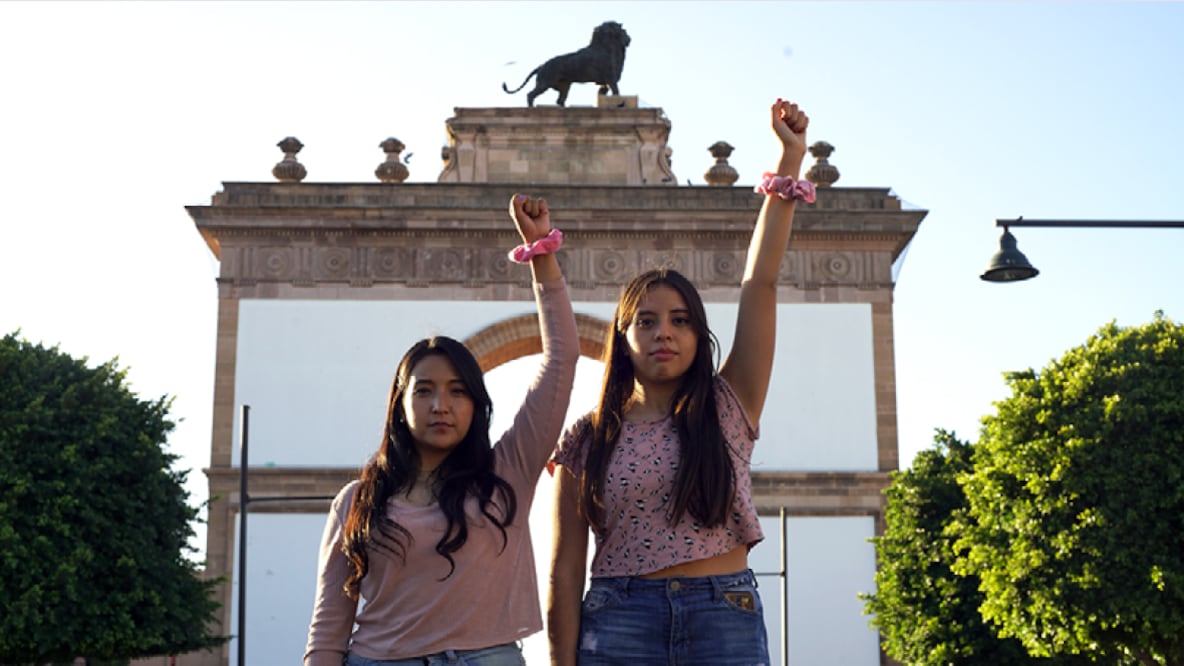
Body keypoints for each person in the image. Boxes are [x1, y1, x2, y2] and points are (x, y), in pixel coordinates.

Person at [547, 98, 814, 665]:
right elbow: (564, 571)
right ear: (622, 337)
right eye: (646, 321)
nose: (663, 333)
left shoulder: (728, 405)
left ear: (698, 334)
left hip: (723, 615)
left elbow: (760, 283)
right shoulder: (588, 437)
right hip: (618, 620)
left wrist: (789, 161)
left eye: (680, 320)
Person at [304, 194, 579, 666]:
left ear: (477, 403)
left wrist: (541, 255)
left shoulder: (508, 473)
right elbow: (329, 627)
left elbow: (561, 359)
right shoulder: (355, 502)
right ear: (400, 405)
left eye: (457, 391)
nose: (441, 406)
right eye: (425, 391)